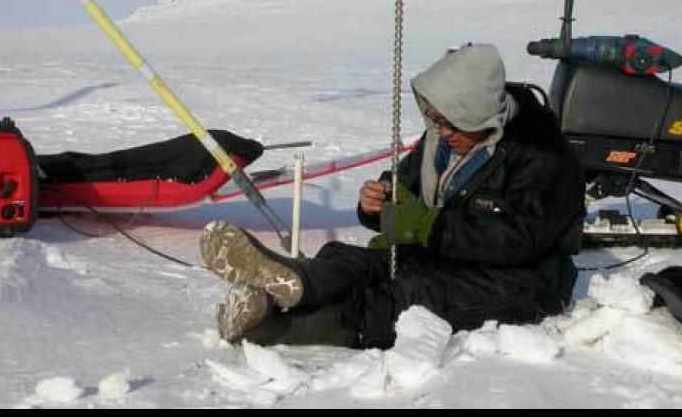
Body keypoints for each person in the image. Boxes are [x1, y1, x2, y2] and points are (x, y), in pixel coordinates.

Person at [200, 43, 586, 349]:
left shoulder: (545, 156)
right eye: (433, 118)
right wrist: (377, 203)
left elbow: (518, 239)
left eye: (449, 121)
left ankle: (275, 326)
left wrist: (424, 226)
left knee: (408, 299)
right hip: (443, 255)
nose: (440, 129)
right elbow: (404, 188)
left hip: (521, 280)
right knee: (348, 260)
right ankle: (295, 279)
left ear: (479, 114)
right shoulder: (443, 138)